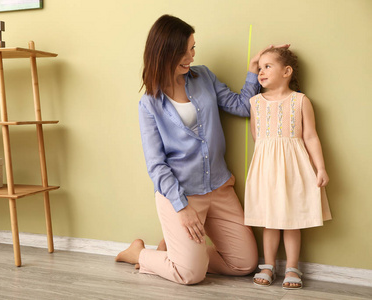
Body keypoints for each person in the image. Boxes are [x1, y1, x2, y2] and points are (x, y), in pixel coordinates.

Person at [115, 14, 287, 285]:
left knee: (244, 264)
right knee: (190, 274)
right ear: (163, 53)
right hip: (181, 195)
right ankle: (140, 253)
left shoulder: (204, 76)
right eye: (184, 51)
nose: (191, 56)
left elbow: (242, 106)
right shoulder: (149, 104)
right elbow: (156, 164)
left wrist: (254, 68)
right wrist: (182, 208)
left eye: (193, 48)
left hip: (219, 187)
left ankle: (180, 254)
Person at [244, 48, 332, 289]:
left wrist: (320, 168)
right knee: (269, 220)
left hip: (295, 168)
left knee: (293, 220)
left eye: (267, 66)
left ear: (287, 71)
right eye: (259, 68)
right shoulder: (254, 103)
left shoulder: (300, 101)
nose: (261, 72)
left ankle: (293, 266)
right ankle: (269, 265)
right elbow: (257, 138)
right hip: (266, 169)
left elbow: (311, 137)